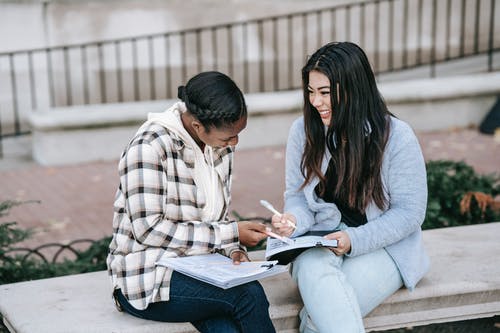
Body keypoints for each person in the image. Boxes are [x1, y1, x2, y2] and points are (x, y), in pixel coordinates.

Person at [270, 42, 429, 333]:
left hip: (385, 247)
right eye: (310, 91)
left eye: (325, 92)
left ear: (354, 88)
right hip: (321, 241)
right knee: (311, 269)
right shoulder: (302, 132)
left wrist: (352, 239)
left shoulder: (397, 137)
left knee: (317, 321)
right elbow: (297, 197)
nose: (315, 102)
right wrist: (293, 220)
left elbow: (409, 213)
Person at [107, 71, 276, 333]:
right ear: (198, 126)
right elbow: (149, 229)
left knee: (227, 329)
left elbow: (213, 220)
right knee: (247, 295)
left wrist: (233, 250)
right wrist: (230, 233)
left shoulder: (217, 147)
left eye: (238, 134)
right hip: (147, 277)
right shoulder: (148, 148)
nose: (235, 143)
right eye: (228, 137)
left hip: (199, 270)